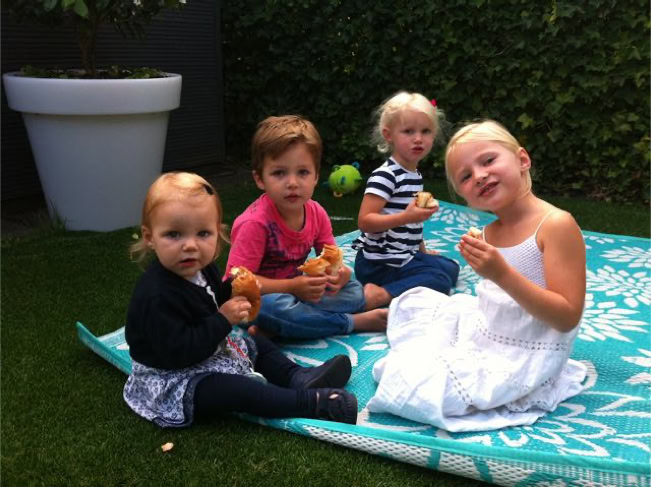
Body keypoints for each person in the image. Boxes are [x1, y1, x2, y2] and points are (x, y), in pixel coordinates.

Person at [366, 120, 588, 431]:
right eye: (466, 177)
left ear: (522, 160)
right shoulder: (488, 233)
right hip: (490, 330)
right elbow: (496, 300)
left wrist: (500, 273)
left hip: (527, 349)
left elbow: (566, 317)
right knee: (419, 307)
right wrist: (489, 271)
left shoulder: (555, 225)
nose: (480, 176)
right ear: (465, 197)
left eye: (488, 160)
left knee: (429, 392)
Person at [123, 172, 358, 428]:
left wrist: (233, 289)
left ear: (217, 232)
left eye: (203, 233)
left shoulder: (203, 268)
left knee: (253, 343)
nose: (190, 245)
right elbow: (180, 351)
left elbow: (212, 298)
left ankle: (296, 375)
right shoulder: (157, 295)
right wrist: (223, 319)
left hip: (208, 351)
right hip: (174, 377)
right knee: (239, 390)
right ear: (150, 237)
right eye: (174, 234)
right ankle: (311, 403)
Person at [225, 115, 388, 339]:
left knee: (351, 290)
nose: (292, 183)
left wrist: (339, 275)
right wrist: (292, 286)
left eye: (302, 172)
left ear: (316, 176)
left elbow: (331, 259)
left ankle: (287, 328)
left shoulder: (316, 213)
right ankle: (352, 322)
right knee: (273, 309)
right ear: (260, 179)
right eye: (279, 173)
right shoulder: (254, 224)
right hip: (259, 299)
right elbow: (238, 284)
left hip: (300, 292)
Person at [352, 91, 460, 308]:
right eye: (408, 131)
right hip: (379, 262)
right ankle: (381, 294)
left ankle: (412, 271)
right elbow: (365, 221)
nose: (418, 138)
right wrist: (406, 217)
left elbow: (413, 224)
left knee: (451, 268)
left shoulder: (414, 175)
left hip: (402, 255)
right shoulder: (386, 176)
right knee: (440, 280)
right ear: (388, 135)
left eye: (425, 131)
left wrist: (422, 252)